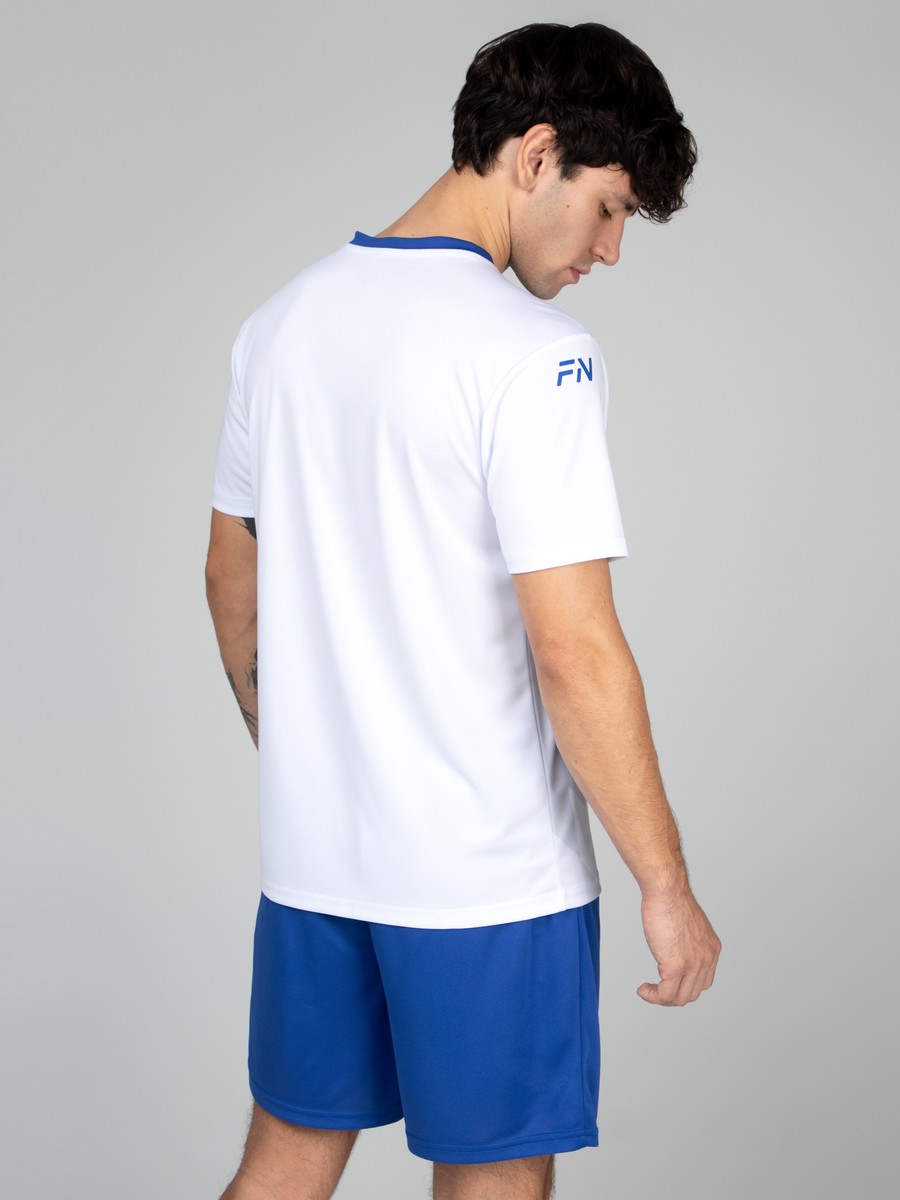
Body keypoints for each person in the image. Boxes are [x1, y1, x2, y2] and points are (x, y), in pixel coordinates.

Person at [205, 20, 721, 1200]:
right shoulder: (536, 355)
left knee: (283, 1163)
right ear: (536, 154)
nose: (610, 250)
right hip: (490, 880)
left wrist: (303, 754)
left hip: (315, 863)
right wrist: (665, 882)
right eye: (609, 208)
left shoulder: (278, 325)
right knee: (493, 1181)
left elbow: (230, 574)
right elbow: (574, 649)